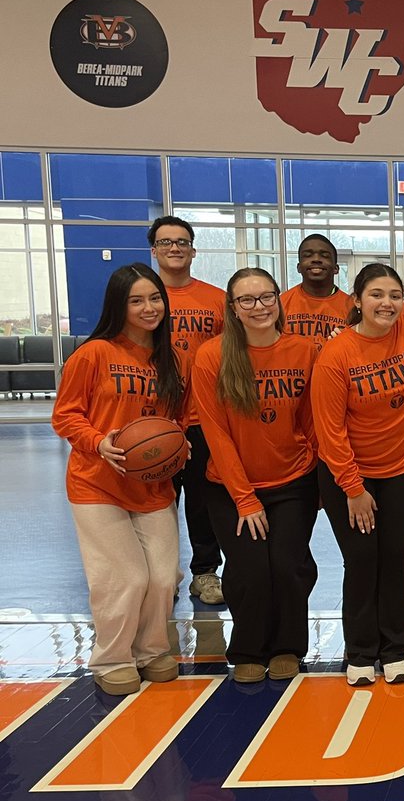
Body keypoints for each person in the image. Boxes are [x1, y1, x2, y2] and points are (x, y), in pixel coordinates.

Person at [51, 264, 186, 696]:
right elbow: (65, 415)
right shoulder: (93, 354)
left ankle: (150, 650)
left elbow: (175, 420)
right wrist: (97, 441)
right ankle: (111, 657)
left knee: (165, 577)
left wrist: (179, 446)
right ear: (119, 306)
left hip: (151, 485)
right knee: (125, 577)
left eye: (154, 299)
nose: (149, 308)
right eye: (136, 300)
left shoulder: (172, 359)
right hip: (97, 484)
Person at [311, 264, 404, 686]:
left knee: (395, 559)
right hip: (349, 476)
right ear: (356, 301)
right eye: (376, 294)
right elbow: (328, 431)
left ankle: (394, 650)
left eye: (394, 295)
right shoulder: (336, 354)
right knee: (362, 559)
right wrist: (352, 487)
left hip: (403, 471)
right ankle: (360, 651)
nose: (387, 303)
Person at [192, 268, 319, 683]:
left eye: (266, 297)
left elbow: (313, 420)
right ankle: (248, 648)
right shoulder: (212, 356)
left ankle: (287, 647)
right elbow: (216, 433)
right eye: (247, 299)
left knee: (287, 565)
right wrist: (245, 498)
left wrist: (319, 476)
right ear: (233, 308)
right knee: (248, 570)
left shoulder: (304, 350)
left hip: (293, 480)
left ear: (279, 300)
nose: (259, 306)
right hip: (230, 486)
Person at [149, 216, 226, 606]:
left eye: (181, 242)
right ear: (154, 250)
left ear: (193, 250)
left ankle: (205, 572)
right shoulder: (144, 297)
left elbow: (232, 356)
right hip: (153, 420)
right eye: (166, 242)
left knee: (202, 499)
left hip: (201, 417)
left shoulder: (214, 298)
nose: (174, 248)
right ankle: (161, 572)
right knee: (158, 500)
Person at [280, 233, 352, 350]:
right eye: (308, 255)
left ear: (336, 268)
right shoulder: (281, 304)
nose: (316, 259)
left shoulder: (352, 306)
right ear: (298, 267)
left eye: (324, 256)